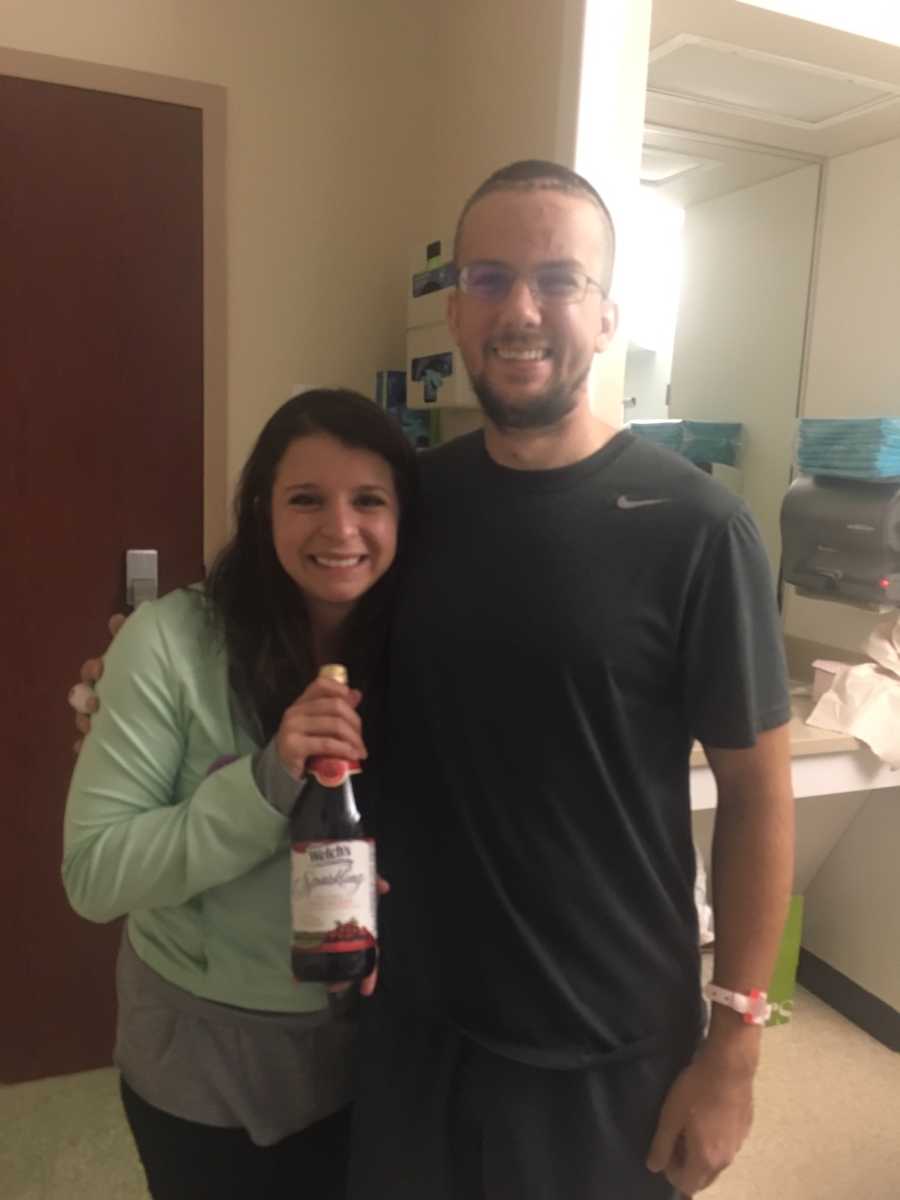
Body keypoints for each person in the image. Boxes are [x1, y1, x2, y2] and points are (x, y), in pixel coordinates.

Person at [73, 161, 794, 1199]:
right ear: (454, 309)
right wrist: (132, 668)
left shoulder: (699, 530)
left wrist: (735, 1045)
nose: (523, 310)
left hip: (597, 1047)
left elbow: (760, 790)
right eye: (491, 279)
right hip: (406, 1028)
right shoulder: (418, 504)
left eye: (559, 280)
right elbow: (295, 612)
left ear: (608, 315)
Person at [63, 388, 417, 1200]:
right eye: (305, 500)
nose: (341, 529)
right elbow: (93, 875)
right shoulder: (172, 643)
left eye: (369, 500)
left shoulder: (420, 645)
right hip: (203, 1065)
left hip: (378, 1056)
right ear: (260, 511)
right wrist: (267, 782)